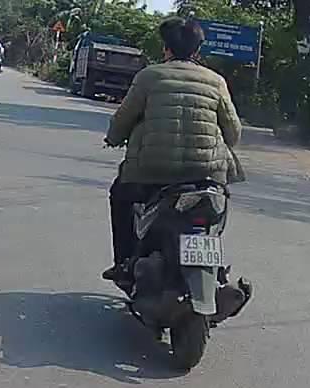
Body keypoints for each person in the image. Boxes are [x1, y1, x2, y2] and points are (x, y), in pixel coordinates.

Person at [101, 17, 241, 282]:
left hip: (151, 173)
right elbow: (233, 133)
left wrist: (113, 137)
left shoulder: (149, 76)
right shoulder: (216, 81)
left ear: (166, 48)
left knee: (120, 196)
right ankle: (213, 267)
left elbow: (123, 119)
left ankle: (124, 262)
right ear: (197, 50)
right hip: (207, 175)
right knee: (215, 209)